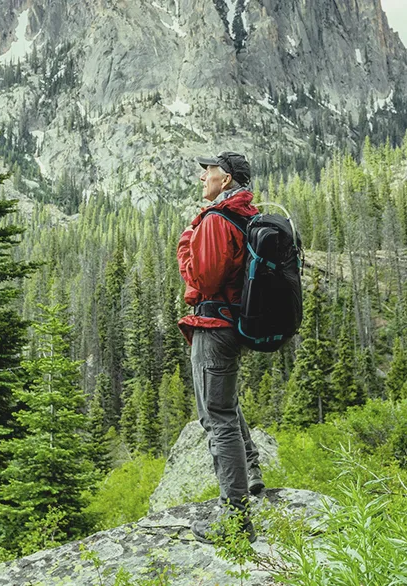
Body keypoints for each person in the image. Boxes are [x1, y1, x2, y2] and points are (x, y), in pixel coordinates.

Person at [176, 151, 263, 544]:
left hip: (214, 324)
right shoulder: (247, 214)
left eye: (208, 171)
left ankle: (236, 520)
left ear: (225, 179)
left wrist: (185, 246)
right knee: (225, 405)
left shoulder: (216, 219)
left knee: (216, 417)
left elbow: (205, 281)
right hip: (235, 323)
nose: (202, 178)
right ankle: (252, 474)